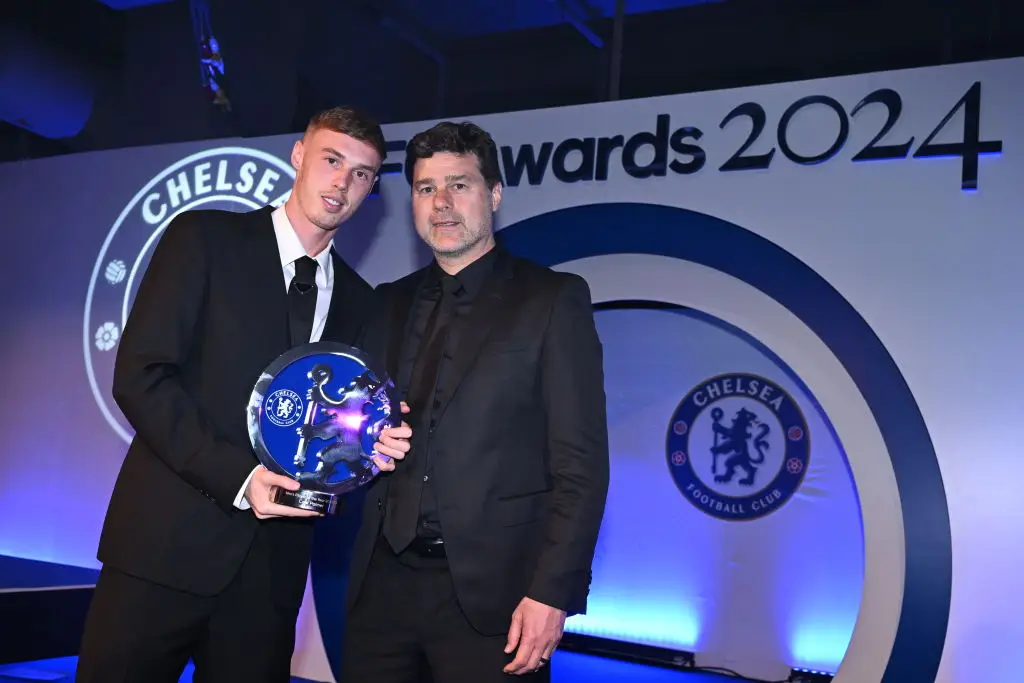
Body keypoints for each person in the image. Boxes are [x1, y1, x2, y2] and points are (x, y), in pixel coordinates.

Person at [76, 106, 399, 683]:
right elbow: (142, 375)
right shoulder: (204, 238)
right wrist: (241, 480)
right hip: (163, 551)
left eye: (361, 174)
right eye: (331, 160)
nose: (342, 182)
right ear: (299, 156)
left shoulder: (362, 302)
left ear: (372, 188)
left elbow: (335, 435)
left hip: (269, 579)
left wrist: (370, 446)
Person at [340, 121, 610, 682]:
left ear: (494, 193)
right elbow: (357, 433)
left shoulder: (552, 299)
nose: (440, 203)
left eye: (458, 185)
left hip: (497, 602)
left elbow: (580, 466)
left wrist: (550, 594)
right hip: (379, 591)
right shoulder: (385, 304)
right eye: (424, 188)